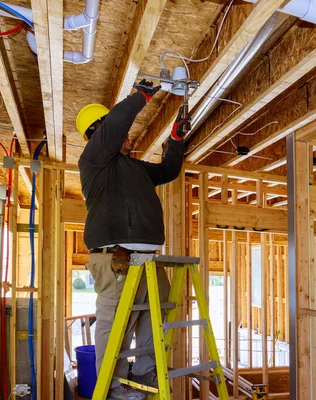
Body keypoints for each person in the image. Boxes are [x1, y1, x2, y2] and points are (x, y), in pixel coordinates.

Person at [77, 79, 190, 400]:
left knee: (152, 316)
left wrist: (176, 140)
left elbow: (167, 171)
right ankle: (113, 388)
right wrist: (140, 97)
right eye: (116, 131)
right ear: (99, 133)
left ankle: (144, 371)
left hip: (148, 258)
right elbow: (113, 127)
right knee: (115, 324)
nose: (126, 135)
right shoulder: (94, 162)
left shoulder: (135, 168)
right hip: (116, 257)